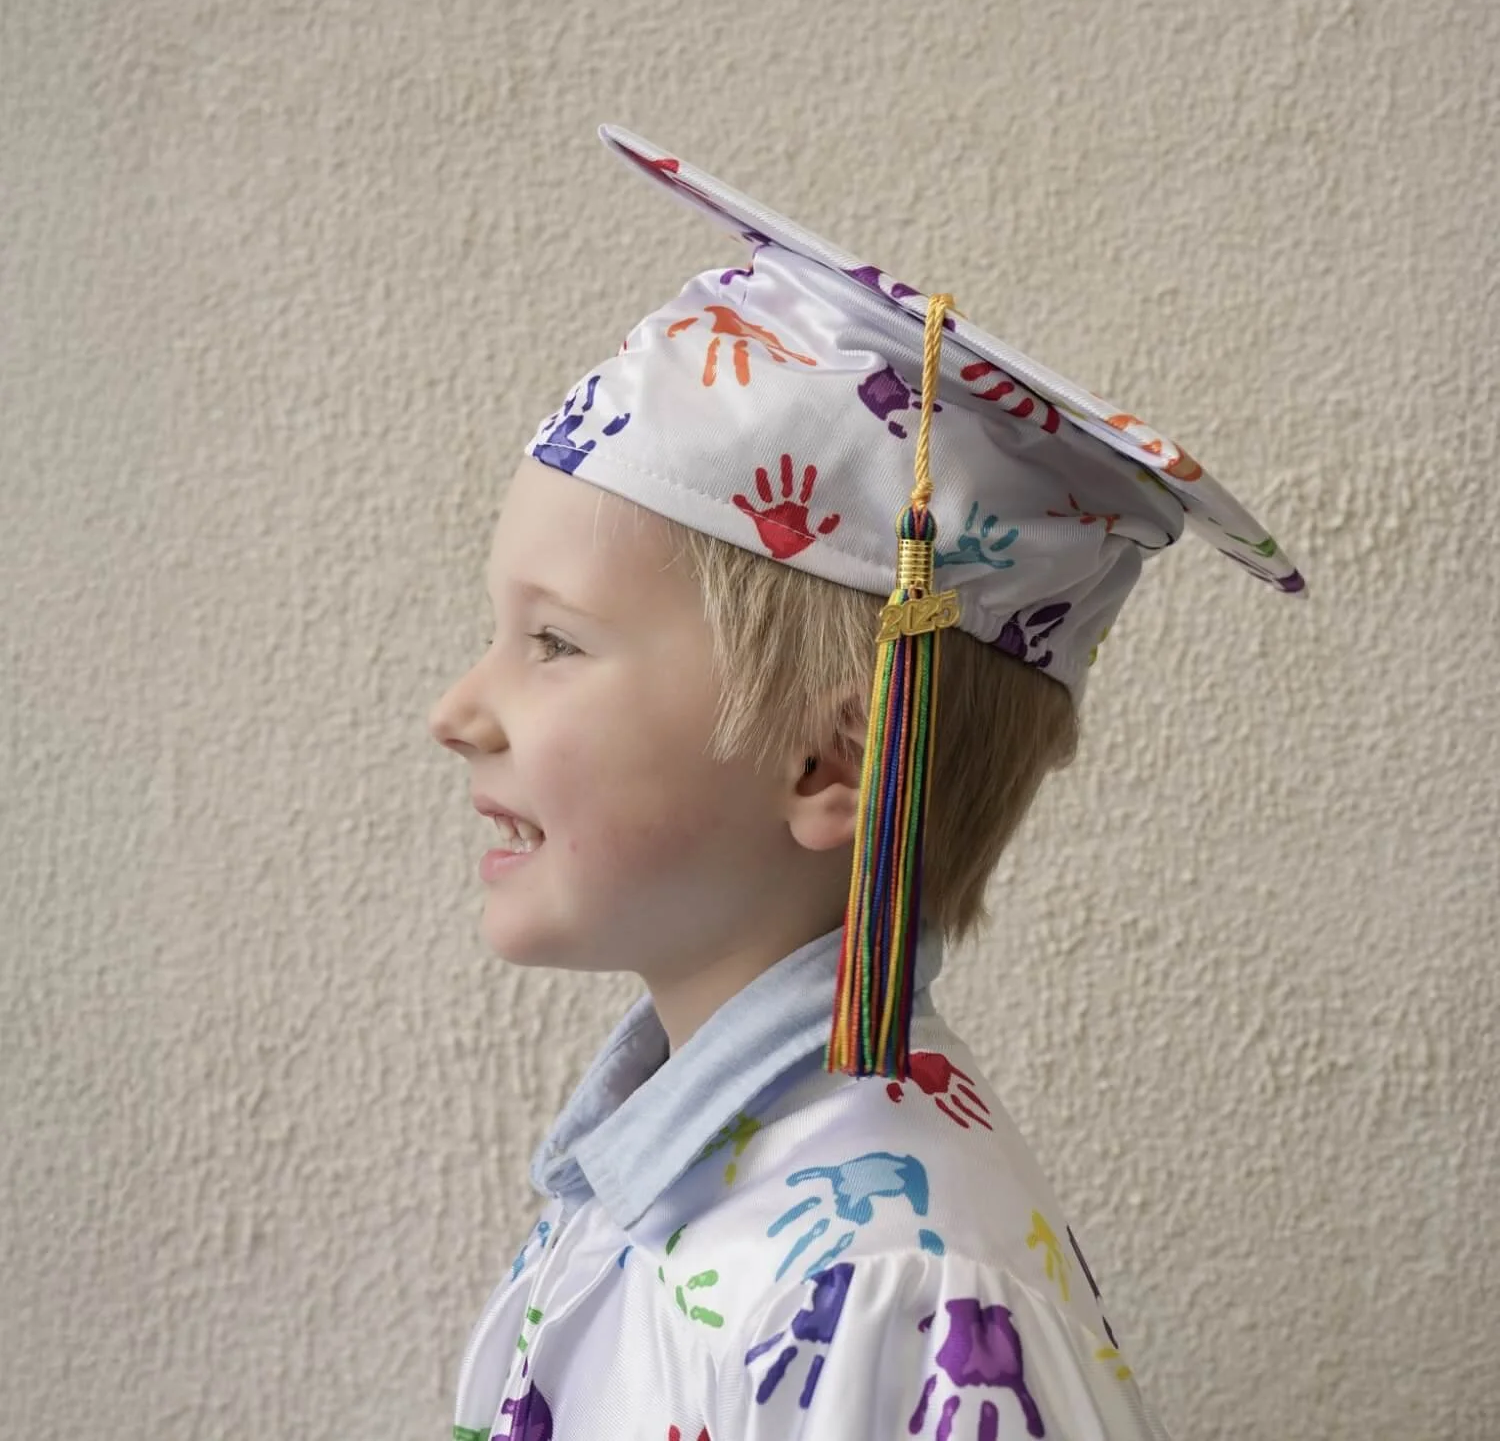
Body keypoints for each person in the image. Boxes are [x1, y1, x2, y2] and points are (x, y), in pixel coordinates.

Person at [428, 124, 1304, 1441]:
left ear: (830, 760)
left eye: (552, 640)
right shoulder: (656, 1188)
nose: (456, 711)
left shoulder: (893, 1293)